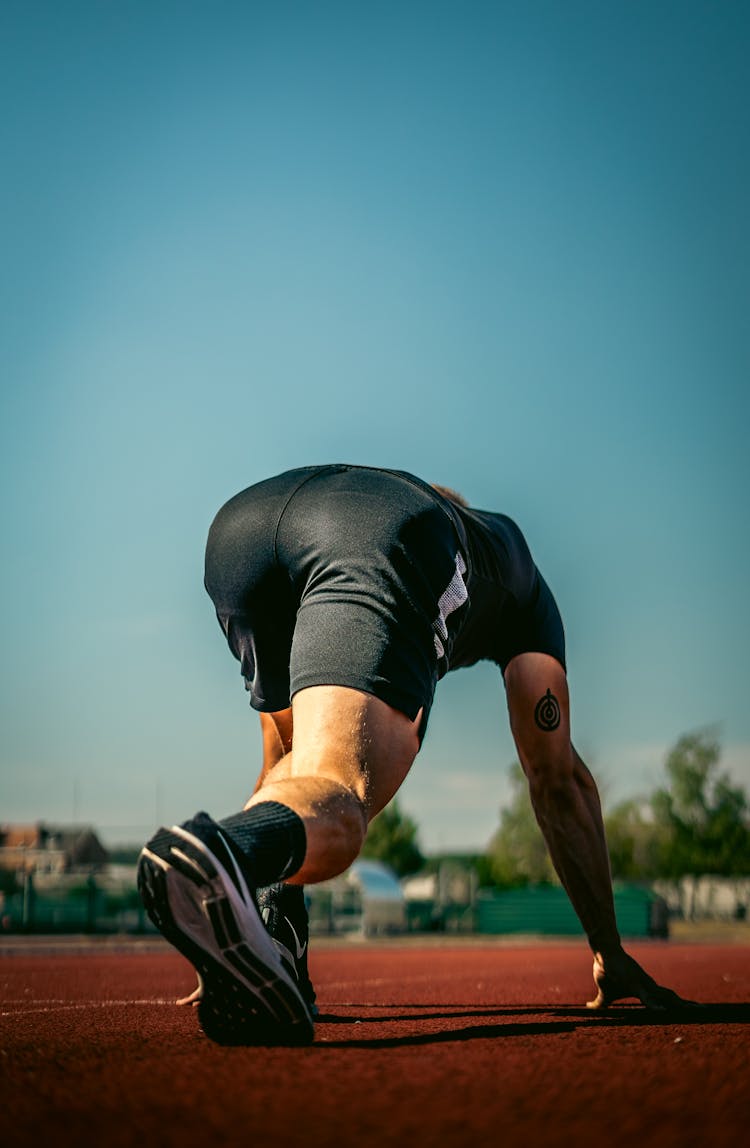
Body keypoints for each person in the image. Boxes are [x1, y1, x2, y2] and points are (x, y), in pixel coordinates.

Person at [138, 464, 692, 1045]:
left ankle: (272, 937)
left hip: (238, 531)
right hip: (378, 531)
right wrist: (608, 948)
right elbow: (556, 779)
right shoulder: (511, 574)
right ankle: (223, 852)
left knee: (300, 772)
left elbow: (283, 763)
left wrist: (251, 930)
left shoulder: (407, 521)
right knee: (343, 795)